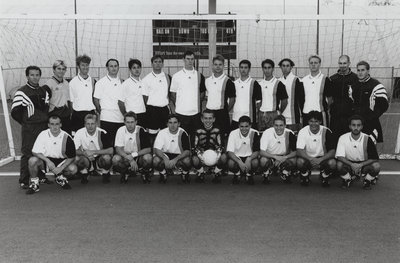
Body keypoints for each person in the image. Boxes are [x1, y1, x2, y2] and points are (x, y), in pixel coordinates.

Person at [11, 65, 52, 189]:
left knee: (42, 152)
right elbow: (15, 112)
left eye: (37, 75)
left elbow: (46, 109)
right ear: (27, 76)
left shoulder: (44, 91)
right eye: (32, 75)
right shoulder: (21, 92)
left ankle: (41, 176)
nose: (35, 77)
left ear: (40, 76)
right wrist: (26, 122)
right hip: (29, 128)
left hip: (43, 127)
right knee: (28, 153)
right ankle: (24, 180)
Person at [26, 115, 77, 194]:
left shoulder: (67, 137)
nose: (54, 127)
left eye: (57, 124)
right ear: (48, 125)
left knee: (73, 169)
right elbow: (35, 152)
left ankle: (60, 177)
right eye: (52, 124)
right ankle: (34, 184)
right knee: (32, 161)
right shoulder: (43, 134)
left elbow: (72, 157)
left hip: (61, 161)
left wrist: (61, 168)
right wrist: (48, 161)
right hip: (46, 160)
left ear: (60, 125)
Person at [336, 115, 380, 190]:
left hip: (363, 163)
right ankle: (348, 179)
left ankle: (367, 180)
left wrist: (360, 165)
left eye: (358, 125)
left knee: (376, 166)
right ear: (349, 126)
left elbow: (375, 158)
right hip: (349, 163)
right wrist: (352, 164)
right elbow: (339, 156)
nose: (356, 128)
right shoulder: (343, 138)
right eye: (353, 125)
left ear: (362, 126)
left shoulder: (368, 138)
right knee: (339, 165)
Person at [170, 51, 206, 137]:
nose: (190, 61)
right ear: (183, 59)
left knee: (195, 138)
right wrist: (181, 105)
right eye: (188, 59)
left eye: (192, 59)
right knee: (182, 137)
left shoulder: (199, 76)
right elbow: (173, 94)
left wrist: (194, 104)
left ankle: (194, 150)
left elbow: (202, 93)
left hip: (195, 114)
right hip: (181, 114)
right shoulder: (176, 76)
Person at [296, 111, 336, 187]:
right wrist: (310, 159)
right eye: (311, 121)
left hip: (322, 158)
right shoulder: (303, 131)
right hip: (308, 158)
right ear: (308, 122)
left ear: (320, 121)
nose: (313, 124)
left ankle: (325, 176)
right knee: (299, 162)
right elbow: (299, 151)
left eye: (316, 121)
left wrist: (320, 160)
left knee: (333, 163)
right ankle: (305, 175)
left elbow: (333, 151)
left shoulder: (326, 131)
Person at [352, 61, 388, 144]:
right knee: (356, 148)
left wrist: (371, 116)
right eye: (358, 70)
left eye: (363, 70)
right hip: (356, 124)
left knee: (371, 150)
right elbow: (352, 103)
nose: (360, 73)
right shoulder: (353, 86)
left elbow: (383, 105)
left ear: (368, 71)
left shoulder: (377, 85)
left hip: (371, 123)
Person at [112, 112, 153, 184]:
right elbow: (118, 149)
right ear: (124, 122)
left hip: (138, 156)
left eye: (132, 122)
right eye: (128, 122)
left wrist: (133, 155)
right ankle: (125, 172)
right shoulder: (120, 130)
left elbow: (148, 149)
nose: (130, 124)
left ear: (136, 122)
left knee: (148, 158)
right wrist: (130, 159)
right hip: (125, 156)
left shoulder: (141, 130)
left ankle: (144, 172)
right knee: (115, 159)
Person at [73, 114, 113, 184]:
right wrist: (84, 153)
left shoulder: (102, 132)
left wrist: (94, 152)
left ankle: (105, 173)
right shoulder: (79, 133)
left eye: (92, 123)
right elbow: (74, 151)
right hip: (86, 157)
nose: (90, 126)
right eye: (88, 124)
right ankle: (84, 173)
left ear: (96, 124)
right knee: (76, 158)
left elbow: (111, 150)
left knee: (107, 158)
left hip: (99, 157)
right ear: (84, 124)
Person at [93, 58, 124, 146]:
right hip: (106, 118)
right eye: (111, 66)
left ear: (118, 67)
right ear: (107, 68)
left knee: (119, 144)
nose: (113, 68)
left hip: (120, 118)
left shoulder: (123, 82)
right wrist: (102, 111)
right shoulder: (100, 83)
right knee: (108, 145)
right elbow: (96, 100)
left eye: (115, 66)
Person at [153, 114, 191, 184]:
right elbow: (156, 149)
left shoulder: (183, 133)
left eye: (175, 122)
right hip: (166, 155)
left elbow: (187, 151)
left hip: (179, 156)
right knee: (155, 160)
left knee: (187, 161)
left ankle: (184, 173)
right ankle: (163, 173)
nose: (172, 125)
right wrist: (165, 158)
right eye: (170, 122)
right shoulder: (162, 132)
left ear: (179, 124)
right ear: (167, 124)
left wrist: (176, 159)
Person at [141, 55, 172, 142]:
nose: (158, 64)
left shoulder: (167, 77)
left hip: (164, 110)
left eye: (160, 62)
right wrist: (152, 107)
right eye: (155, 62)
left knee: (165, 133)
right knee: (152, 134)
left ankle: (164, 152)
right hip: (152, 111)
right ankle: (153, 151)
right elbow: (145, 98)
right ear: (152, 64)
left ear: (162, 64)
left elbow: (170, 94)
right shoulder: (146, 79)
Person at [192, 110, 227, 184]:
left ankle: (216, 172)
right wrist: (200, 155)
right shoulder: (197, 130)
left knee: (224, 157)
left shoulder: (218, 129)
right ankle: (201, 173)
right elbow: (194, 146)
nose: (208, 121)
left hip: (215, 154)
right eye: (205, 118)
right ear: (202, 119)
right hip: (201, 154)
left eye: (210, 118)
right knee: (194, 159)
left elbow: (221, 145)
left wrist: (217, 155)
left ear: (214, 119)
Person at [259, 115, 297, 184]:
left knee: (294, 160)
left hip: (284, 157)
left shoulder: (290, 133)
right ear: (273, 125)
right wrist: (275, 157)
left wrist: (284, 157)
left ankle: (285, 172)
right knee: (263, 160)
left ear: (285, 125)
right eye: (276, 125)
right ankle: (266, 173)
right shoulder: (267, 133)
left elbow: (296, 152)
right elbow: (262, 152)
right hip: (270, 156)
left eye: (281, 125)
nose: (278, 128)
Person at [204, 55, 236, 137]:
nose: (217, 67)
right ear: (212, 65)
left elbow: (232, 99)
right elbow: (207, 97)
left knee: (222, 137)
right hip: (209, 113)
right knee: (209, 136)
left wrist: (225, 110)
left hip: (222, 114)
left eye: (220, 64)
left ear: (223, 66)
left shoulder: (228, 81)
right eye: (216, 64)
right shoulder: (207, 81)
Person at [329, 55, 359, 140]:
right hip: (335, 116)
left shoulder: (355, 78)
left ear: (349, 63)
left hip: (350, 116)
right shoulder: (332, 79)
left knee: (349, 139)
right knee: (335, 140)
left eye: (344, 63)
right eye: (340, 63)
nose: (342, 65)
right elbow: (329, 97)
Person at [226, 115, 260, 185]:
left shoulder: (255, 133)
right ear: (238, 126)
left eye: (246, 126)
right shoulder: (233, 133)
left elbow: (257, 151)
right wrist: (239, 162)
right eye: (242, 126)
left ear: (250, 126)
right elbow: (230, 152)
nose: (244, 129)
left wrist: (249, 159)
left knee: (255, 162)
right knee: (230, 163)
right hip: (237, 157)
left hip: (249, 157)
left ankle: (249, 175)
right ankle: (237, 174)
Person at [300, 55, 333, 126]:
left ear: (319, 64)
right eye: (311, 63)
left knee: (322, 135)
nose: (313, 65)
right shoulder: (303, 80)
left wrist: (325, 108)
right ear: (309, 64)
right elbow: (301, 98)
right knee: (307, 135)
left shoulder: (325, 79)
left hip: (320, 113)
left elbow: (330, 99)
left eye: (315, 63)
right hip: (306, 113)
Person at [69, 54, 96, 135]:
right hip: (78, 115)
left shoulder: (93, 81)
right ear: (78, 66)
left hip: (91, 114)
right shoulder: (73, 82)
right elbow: (71, 101)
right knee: (77, 138)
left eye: (87, 65)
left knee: (91, 138)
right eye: (83, 65)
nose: (85, 67)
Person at [258, 59, 288, 132]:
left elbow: (284, 101)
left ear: (273, 69)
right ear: (262, 69)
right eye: (265, 68)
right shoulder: (259, 84)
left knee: (273, 136)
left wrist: (278, 112)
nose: (267, 70)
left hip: (273, 114)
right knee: (262, 137)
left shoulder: (279, 84)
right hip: (261, 114)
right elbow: (258, 101)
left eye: (269, 68)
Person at [231, 60, 262, 130]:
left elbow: (259, 103)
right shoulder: (234, 84)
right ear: (239, 69)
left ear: (249, 69)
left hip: (250, 118)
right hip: (236, 117)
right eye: (241, 67)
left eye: (245, 67)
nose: (243, 69)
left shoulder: (254, 83)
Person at [118, 59, 147, 127]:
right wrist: (126, 115)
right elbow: (120, 102)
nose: (136, 70)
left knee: (141, 136)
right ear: (130, 70)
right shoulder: (126, 84)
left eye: (138, 67)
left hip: (143, 114)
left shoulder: (144, 83)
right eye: (134, 68)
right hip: (131, 116)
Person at [46, 60, 72, 134]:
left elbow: (68, 100)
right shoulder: (48, 84)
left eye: (63, 69)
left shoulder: (66, 83)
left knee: (66, 137)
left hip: (65, 115)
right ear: (54, 70)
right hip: (54, 115)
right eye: (59, 68)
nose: (61, 71)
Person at [278, 58, 304, 132]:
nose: (285, 68)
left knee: (293, 139)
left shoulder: (297, 80)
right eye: (283, 66)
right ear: (280, 67)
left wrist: (301, 114)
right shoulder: (278, 81)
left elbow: (301, 99)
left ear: (291, 67)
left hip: (294, 117)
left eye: (287, 66)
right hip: (281, 116)